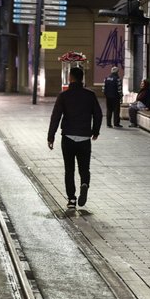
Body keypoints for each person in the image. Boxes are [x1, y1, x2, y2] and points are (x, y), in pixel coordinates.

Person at [48, 67, 102, 210]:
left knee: (69, 169)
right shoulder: (90, 95)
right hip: (84, 137)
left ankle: (71, 199)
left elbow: (56, 117)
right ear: (82, 78)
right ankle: (84, 183)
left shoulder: (64, 96)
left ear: (70, 78)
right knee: (84, 168)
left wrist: (51, 136)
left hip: (68, 137)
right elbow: (98, 114)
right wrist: (95, 131)